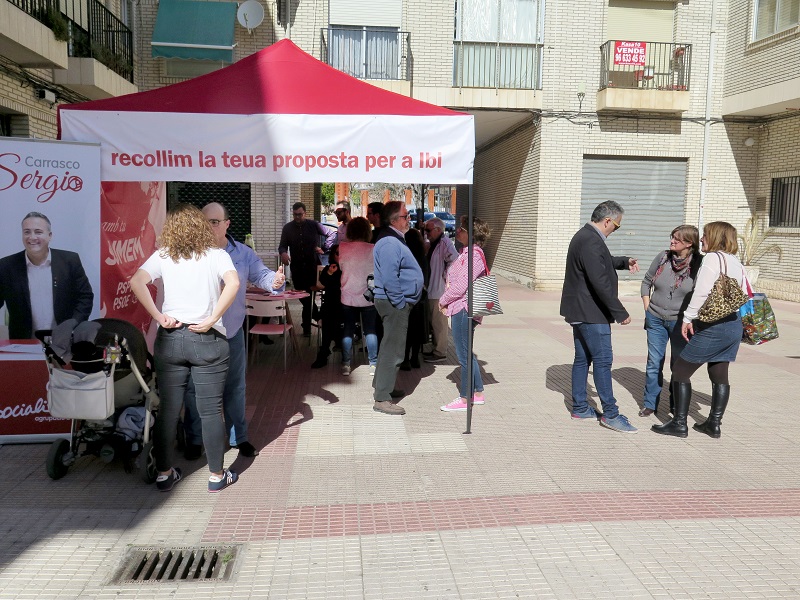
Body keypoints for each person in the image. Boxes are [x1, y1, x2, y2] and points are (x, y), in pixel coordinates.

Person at [131, 204, 240, 493]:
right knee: (211, 410)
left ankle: (164, 474)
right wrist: (213, 317)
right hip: (207, 338)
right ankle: (216, 476)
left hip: (171, 337)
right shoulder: (216, 255)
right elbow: (233, 283)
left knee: (168, 410)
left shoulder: (164, 255)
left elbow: (137, 281)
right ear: (201, 226)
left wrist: (158, 316)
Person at [182, 202, 286, 461]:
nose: (208, 227)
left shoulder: (242, 253)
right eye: (204, 222)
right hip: (198, 333)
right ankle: (194, 439)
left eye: (214, 222)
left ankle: (238, 437)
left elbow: (262, 275)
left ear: (227, 224)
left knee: (235, 388)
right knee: (195, 390)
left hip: (231, 332)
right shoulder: (191, 252)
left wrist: (274, 281)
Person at [652, 221, 748, 439]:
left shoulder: (712, 259)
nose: (702, 239)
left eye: (705, 234)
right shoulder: (735, 261)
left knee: (680, 371)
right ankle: (714, 424)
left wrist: (687, 318)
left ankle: (679, 424)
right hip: (733, 324)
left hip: (713, 326)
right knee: (719, 373)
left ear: (715, 237)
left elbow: (702, 292)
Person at [559, 200, 640, 434]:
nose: (616, 229)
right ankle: (611, 415)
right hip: (591, 313)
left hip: (581, 311)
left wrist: (623, 262)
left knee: (582, 359)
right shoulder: (590, 240)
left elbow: (600, 262)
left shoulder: (586, 236)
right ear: (607, 221)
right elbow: (599, 281)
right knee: (603, 361)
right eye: (617, 225)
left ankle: (580, 408)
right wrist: (619, 311)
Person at [639, 225, 702, 417]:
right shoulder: (663, 257)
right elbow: (646, 282)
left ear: (689, 243)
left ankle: (676, 405)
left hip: (680, 323)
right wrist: (647, 307)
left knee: (678, 365)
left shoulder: (699, 264)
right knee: (654, 362)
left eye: (677, 239)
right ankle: (650, 403)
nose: (672, 241)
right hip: (655, 319)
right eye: (672, 237)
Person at [0, 212, 93, 339]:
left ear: (50, 236)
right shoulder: (6, 266)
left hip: (64, 341)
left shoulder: (69, 261)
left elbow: (85, 297)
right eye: (27, 232)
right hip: (24, 342)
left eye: (38, 232)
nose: (32, 237)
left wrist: (72, 326)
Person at [372, 201, 423, 415]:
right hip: (394, 304)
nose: (409, 219)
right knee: (393, 351)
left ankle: (384, 387)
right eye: (405, 216)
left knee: (389, 347)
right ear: (394, 220)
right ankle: (382, 398)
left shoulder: (392, 240)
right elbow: (389, 277)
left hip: (394, 303)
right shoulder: (389, 243)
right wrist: (400, 303)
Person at [438, 216, 491, 411]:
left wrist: (443, 300)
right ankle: (477, 393)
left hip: (464, 309)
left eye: (462, 229)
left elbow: (461, 286)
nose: (458, 231)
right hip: (462, 308)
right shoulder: (467, 253)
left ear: (472, 234)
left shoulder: (474, 256)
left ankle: (464, 398)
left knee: (463, 356)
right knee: (467, 353)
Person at [278, 202, 336, 336]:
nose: (297, 217)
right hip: (297, 269)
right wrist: (283, 253)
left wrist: (324, 248)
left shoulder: (314, 225)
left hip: (312, 267)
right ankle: (318, 317)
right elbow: (282, 246)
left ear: (305, 213)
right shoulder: (288, 228)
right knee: (302, 297)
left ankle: (307, 329)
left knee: (309, 297)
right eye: (295, 215)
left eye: (300, 214)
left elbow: (332, 234)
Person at [338, 218, 380, 376]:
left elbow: (342, 266)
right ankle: (373, 364)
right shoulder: (373, 248)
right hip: (368, 295)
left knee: (348, 329)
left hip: (347, 295)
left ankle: (346, 364)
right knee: (370, 330)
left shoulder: (343, 247)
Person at [423, 217, 457, 362]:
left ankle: (440, 351)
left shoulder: (445, 243)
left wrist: (445, 276)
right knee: (434, 321)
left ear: (438, 230)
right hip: (432, 289)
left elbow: (454, 260)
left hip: (439, 290)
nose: (426, 233)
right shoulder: (433, 243)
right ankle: (437, 348)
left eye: (428, 230)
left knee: (439, 322)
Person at [400, 226, 428, 370]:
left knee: (406, 328)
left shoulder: (405, 256)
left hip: (406, 296)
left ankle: (405, 359)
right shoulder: (423, 257)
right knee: (417, 329)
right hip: (420, 297)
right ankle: (415, 358)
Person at [311, 244, 343, 369]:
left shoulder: (349, 269)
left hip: (346, 305)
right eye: (337, 253)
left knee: (329, 318)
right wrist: (330, 273)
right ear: (333, 255)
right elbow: (323, 283)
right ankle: (332, 346)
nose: (340, 256)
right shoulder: (328, 269)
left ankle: (324, 352)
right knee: (329, 316)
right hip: (332, 304)